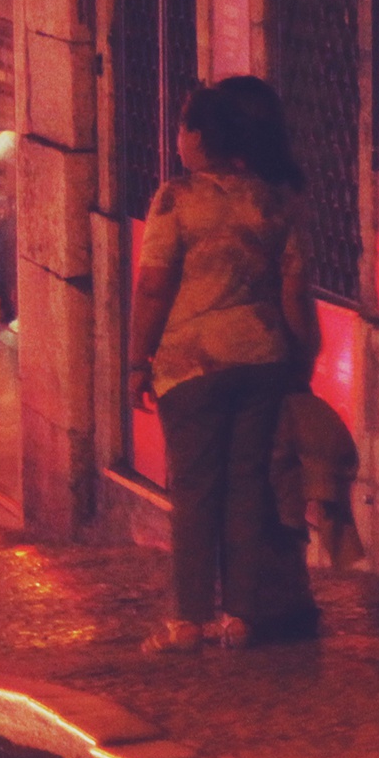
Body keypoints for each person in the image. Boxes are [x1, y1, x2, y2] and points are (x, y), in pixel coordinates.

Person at [126, 77, 321, 652]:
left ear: (200, 137)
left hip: (193, 366)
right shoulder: (270, 200)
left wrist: (138, 359)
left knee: (194, 490)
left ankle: (188, 618)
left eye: (184, 128)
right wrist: (299, 362)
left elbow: (154, 287)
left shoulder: (176, 199)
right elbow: (293, 292)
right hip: (262, 360)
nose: (178, 138)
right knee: (243, 489)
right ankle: (239, 616)